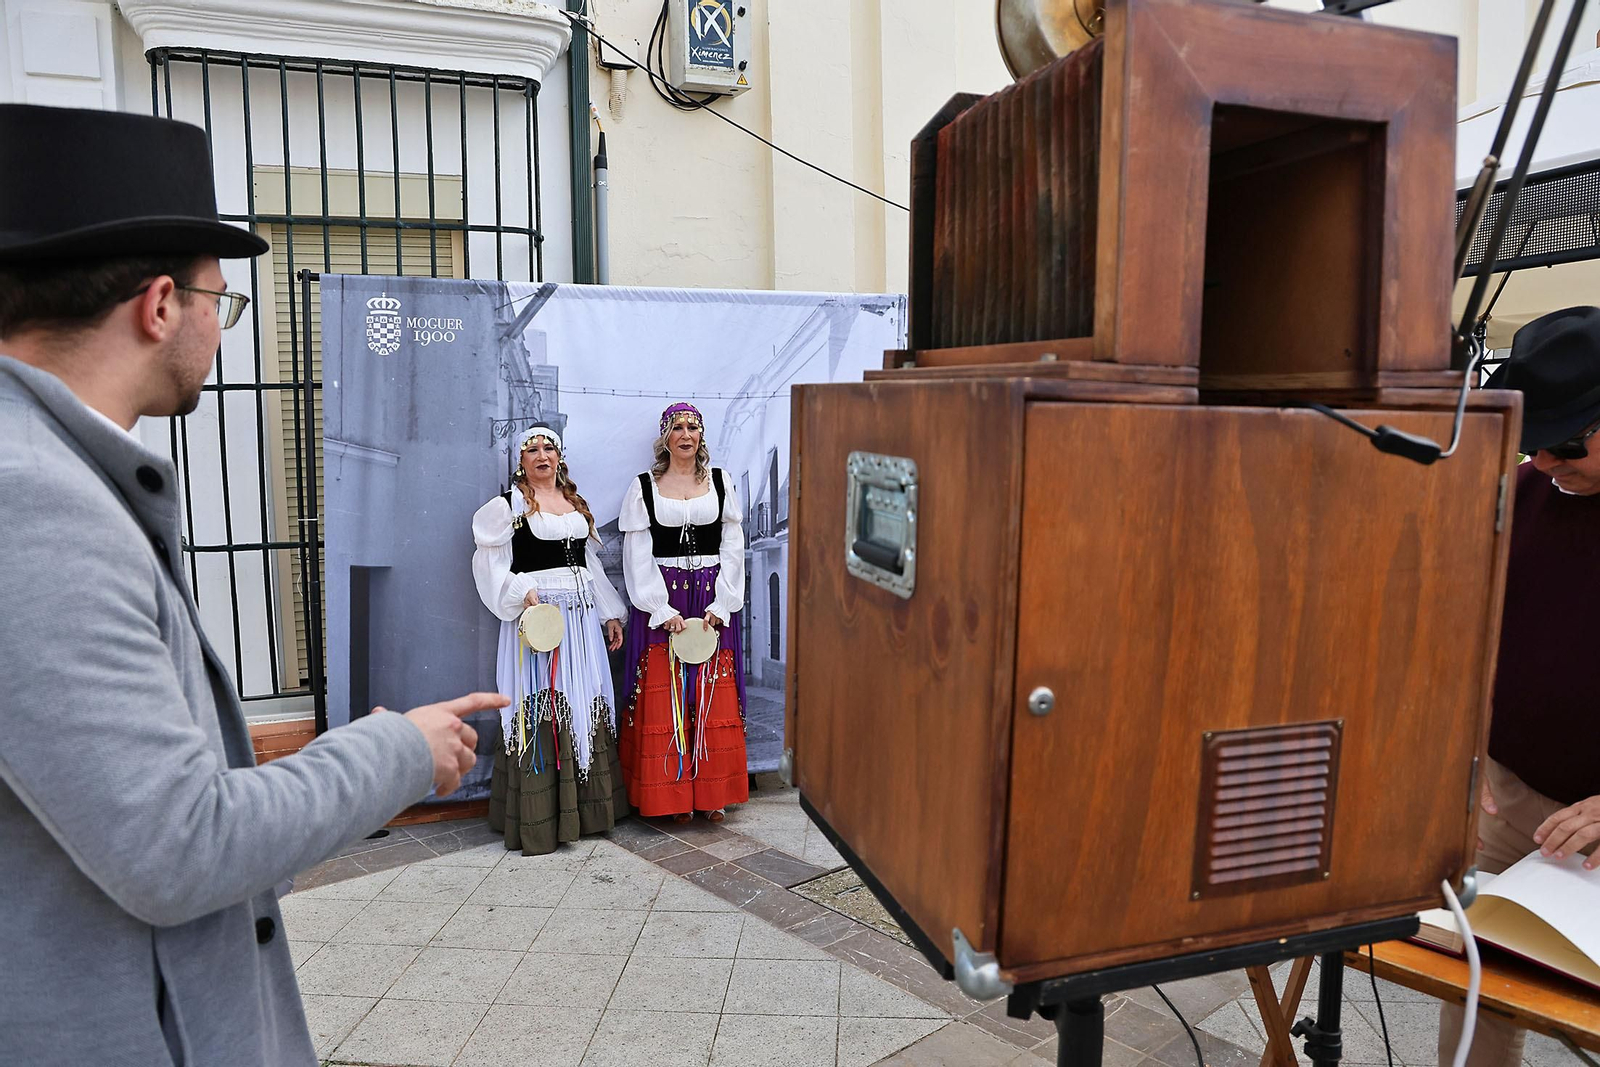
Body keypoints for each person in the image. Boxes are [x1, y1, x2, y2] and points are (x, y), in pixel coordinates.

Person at [0, 103, 505, 1066]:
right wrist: (397, 749)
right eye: (220, 304)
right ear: (158, 307)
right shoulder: (32, 502)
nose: (220, 332)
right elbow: (179, 841)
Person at [1438, 306, 1600, 1067]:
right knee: (1476, 990)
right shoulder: (1523, 489)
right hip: (1508, 796)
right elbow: (1465, 619)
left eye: (1568, 442)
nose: (1547, 460)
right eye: (1535, 440)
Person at [472, 425, 631, 854]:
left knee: (583, 695)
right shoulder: (512, 507)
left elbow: (588, 567)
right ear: (520, 461)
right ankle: (544, 816)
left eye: (549, 448)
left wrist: (610, 613)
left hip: (580, 621)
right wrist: (519, 592)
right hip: (541, 620)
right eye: (532, 450)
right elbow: (489, 562)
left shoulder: (574, 506)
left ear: (560, 457)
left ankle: (587, 809)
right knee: (546, 697)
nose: (542, 455)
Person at [617, 402, 750, 822]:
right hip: (666, 599)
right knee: (667, 692)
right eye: (678, 428)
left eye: (693, 427)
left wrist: (723, 603)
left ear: (701, 436)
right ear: (665, 438)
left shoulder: (721, 482)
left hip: (710, 600)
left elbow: (733, 547)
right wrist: (660, 609)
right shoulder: (644, 487)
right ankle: (672, 796)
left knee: (710, 691)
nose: (686, 435)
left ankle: (711, 795)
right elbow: (636, 555)